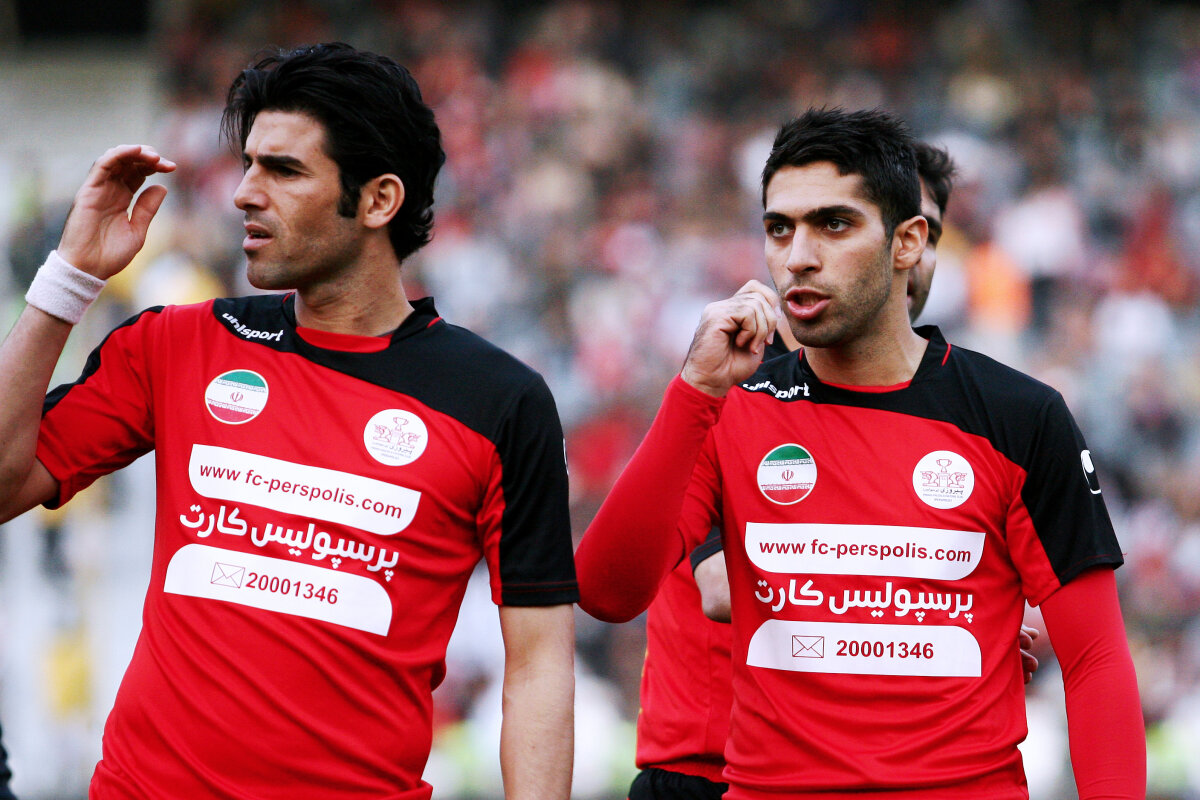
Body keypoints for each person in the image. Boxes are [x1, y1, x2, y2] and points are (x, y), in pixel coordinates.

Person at [0, 43, 576, 800]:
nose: (244, 192)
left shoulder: (499, 402)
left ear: (379, 200)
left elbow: (538, 665)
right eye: (247, 165)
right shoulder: (176, 344)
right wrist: (69, 277)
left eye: (283, 170)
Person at [576, 108, 1144, 799]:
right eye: (779, 229)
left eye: (834, 224)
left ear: (909, 243)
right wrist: (694, 391)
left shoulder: (1020, 417)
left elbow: (1094, 659)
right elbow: (607, 592)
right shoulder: (730, 406)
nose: (798, 256)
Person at [621, 141, 1039, 800]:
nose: (915, 252)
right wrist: (918, 619)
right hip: (708, 767)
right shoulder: (738, 389)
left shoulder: (939, 411)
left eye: (931, 233)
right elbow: (718, 588)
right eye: (828, 225)